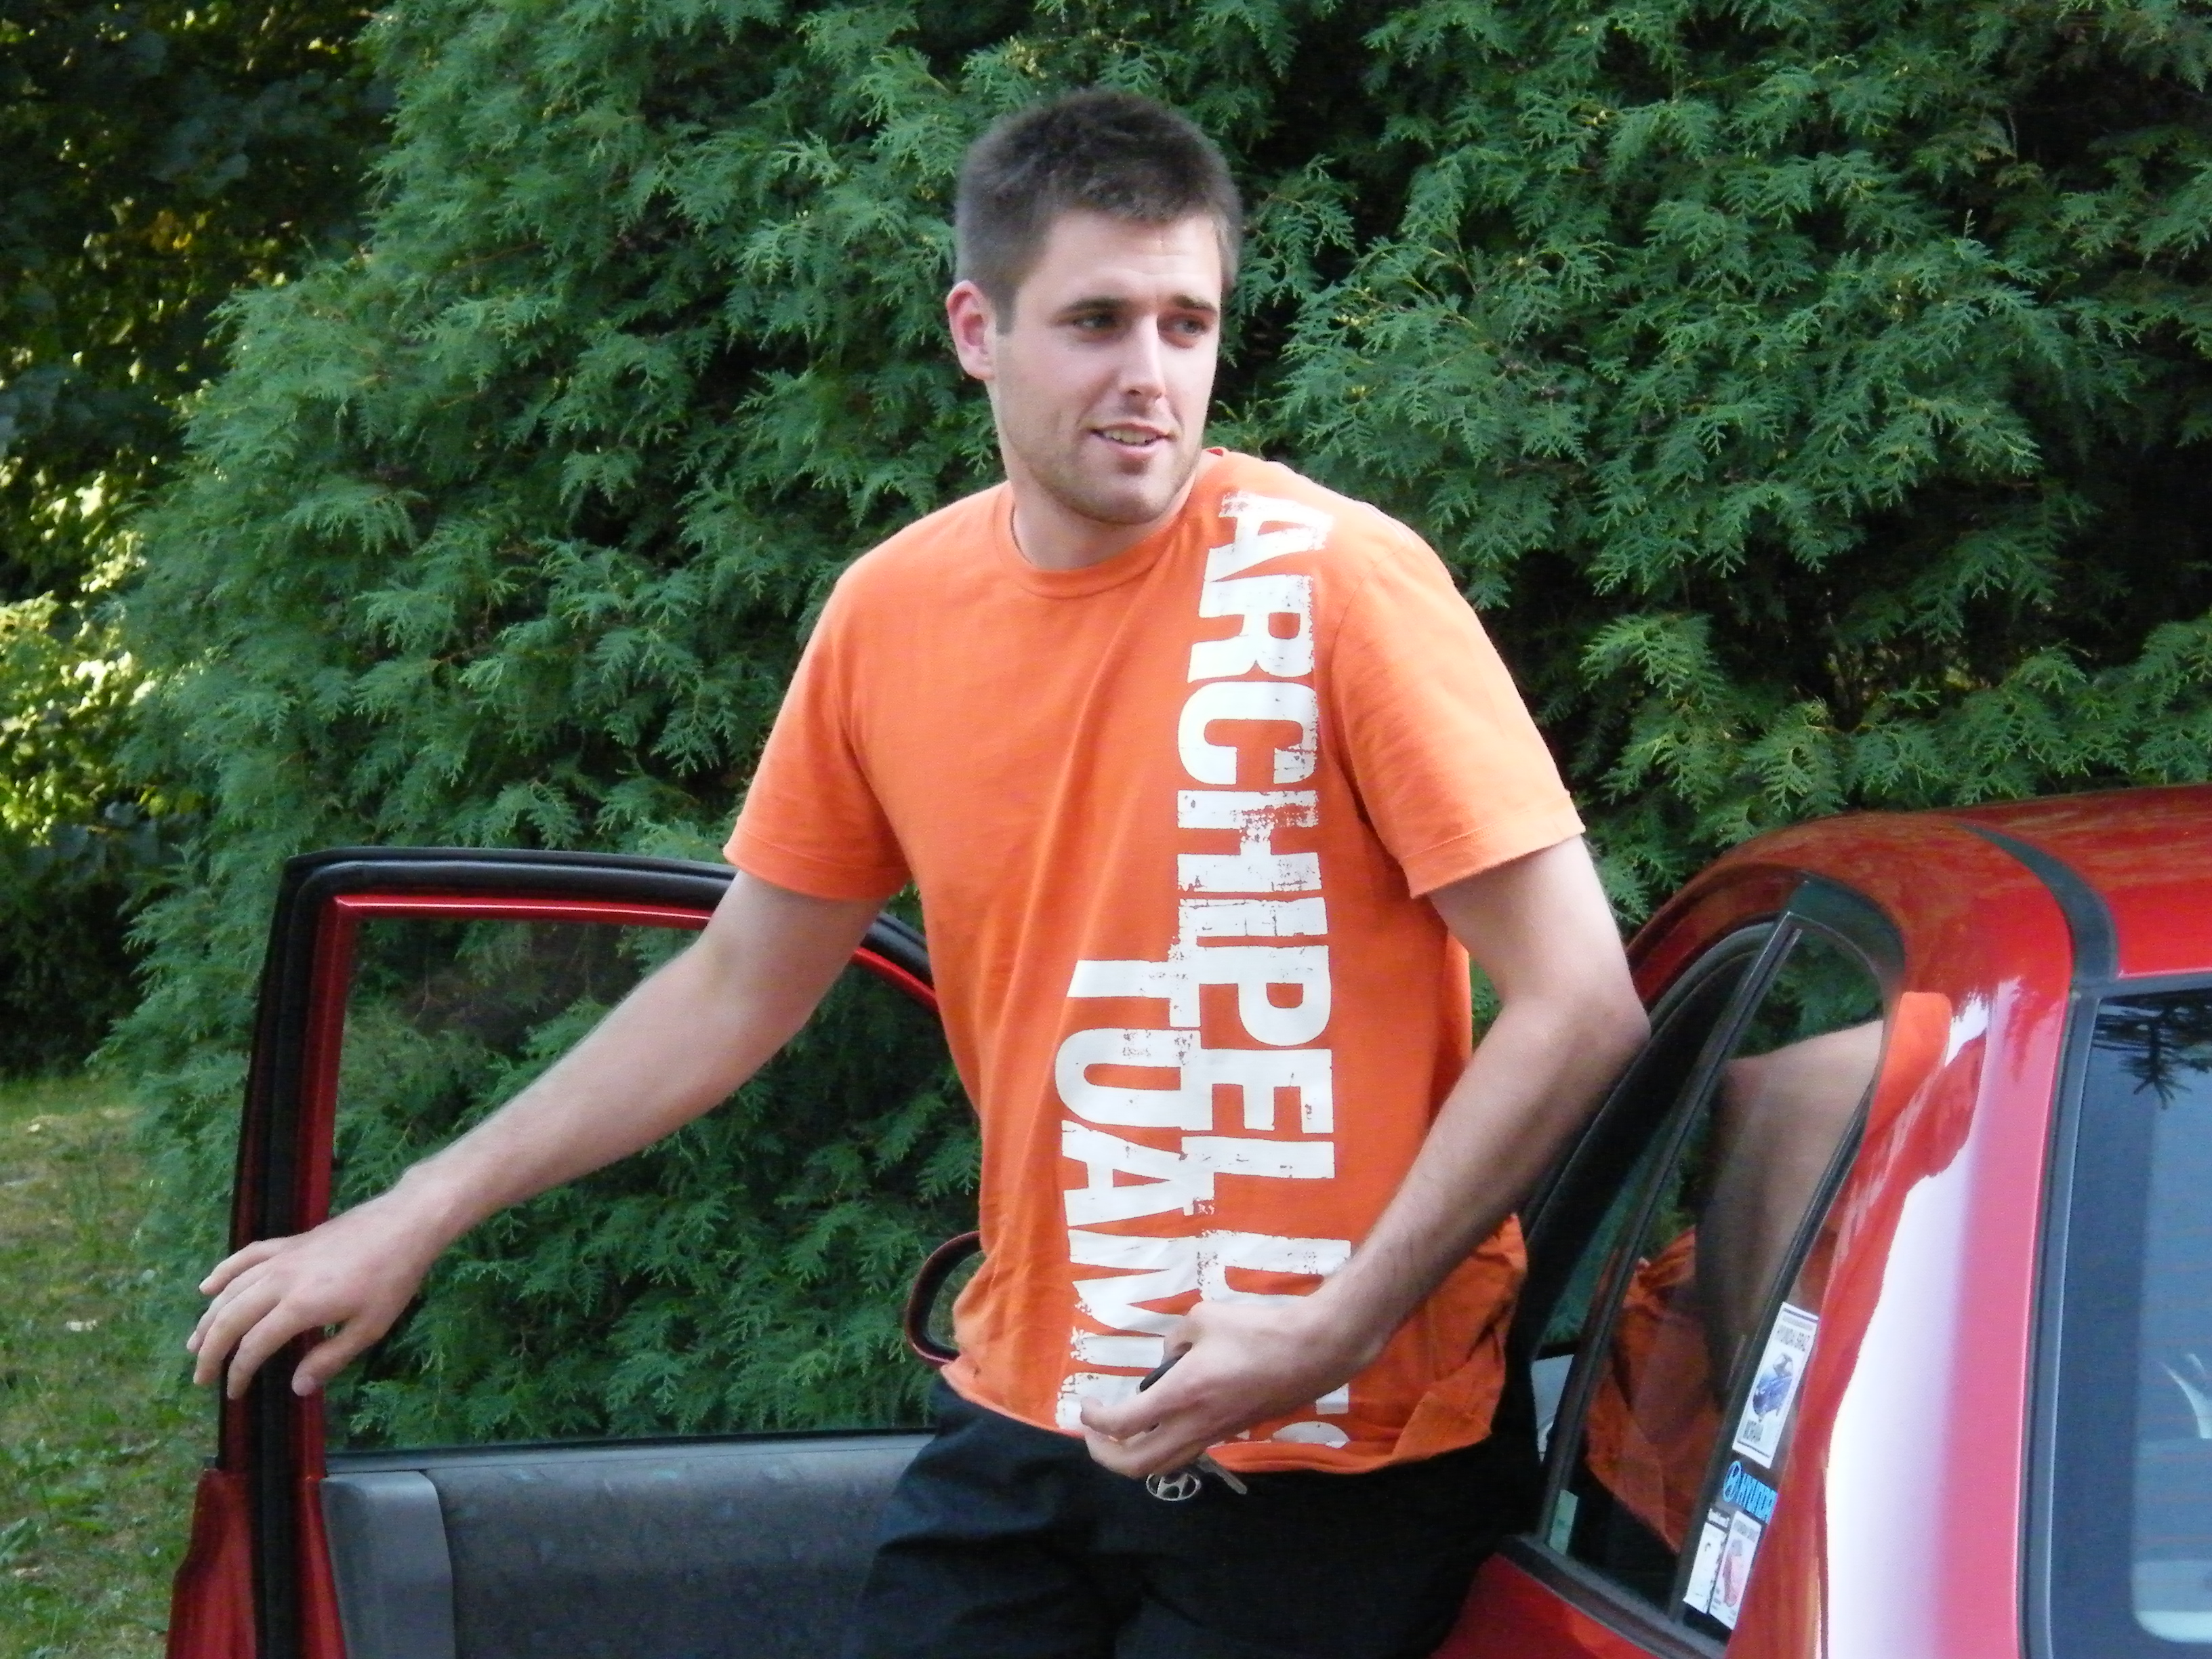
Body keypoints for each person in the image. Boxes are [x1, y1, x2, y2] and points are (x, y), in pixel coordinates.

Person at [187, 89, 1649, 1658]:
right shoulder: (892, 615)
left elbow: (1580, 1002)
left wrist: (1332, 1325)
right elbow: (738, 983)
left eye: (1187, 323)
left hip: (1345, 1444)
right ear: (976, 329)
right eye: (1095, 322)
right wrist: (419, 1210)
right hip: (1036, 1400)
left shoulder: (1340, 586)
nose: (1150, 376)